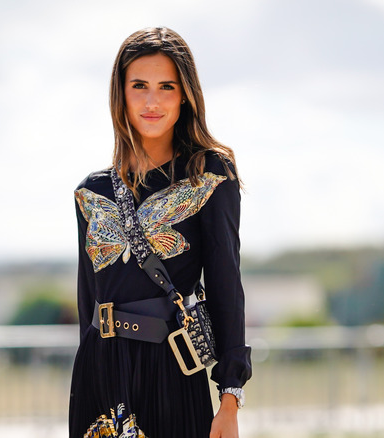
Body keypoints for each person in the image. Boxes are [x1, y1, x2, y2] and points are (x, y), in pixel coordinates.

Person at [69, 27, 252, 438]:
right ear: (121, 94)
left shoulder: (208, 176)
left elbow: (226, 285)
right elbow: (88, 301)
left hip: (169, 369)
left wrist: (229, 398)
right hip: (99, 374)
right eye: (139, 86)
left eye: (166, 86)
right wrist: (88, 375)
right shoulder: (90, 193)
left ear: (184, 94)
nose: (152, 101)